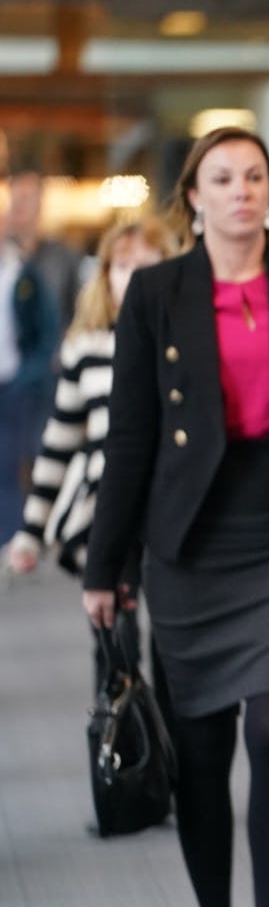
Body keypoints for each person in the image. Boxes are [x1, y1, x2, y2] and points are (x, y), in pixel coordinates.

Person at [81, 127, 269, 907]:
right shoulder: (156, 293)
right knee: (200, 754)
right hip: (190, 541)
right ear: (193, 200)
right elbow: (129, 437)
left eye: (256, 177)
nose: (243, 190)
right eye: (223, 178)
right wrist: (107, 566)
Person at [8, 216, 176, 688]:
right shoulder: (86, 350)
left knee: (175, 651)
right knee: (115, 648)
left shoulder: (185, 348)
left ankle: (174, 756)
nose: (135, 277)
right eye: (123, 266)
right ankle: (122, 755)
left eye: (148, 264)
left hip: (173, 512)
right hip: (108, 516)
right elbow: (58, 444)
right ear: (105, 276)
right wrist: (31, 532)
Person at [0, 229, 57, 535]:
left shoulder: (24, 275)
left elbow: (47, 331)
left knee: (7, 465)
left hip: (12, 384)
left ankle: (8, 539)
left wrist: (29, 376)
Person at [6, 167, 86, 330]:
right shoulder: (4, 256)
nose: (19, 206)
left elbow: (77, 312)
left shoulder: (63, 258)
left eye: (26, 198)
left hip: (54, 351)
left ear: (40, 203)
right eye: (14, 198)